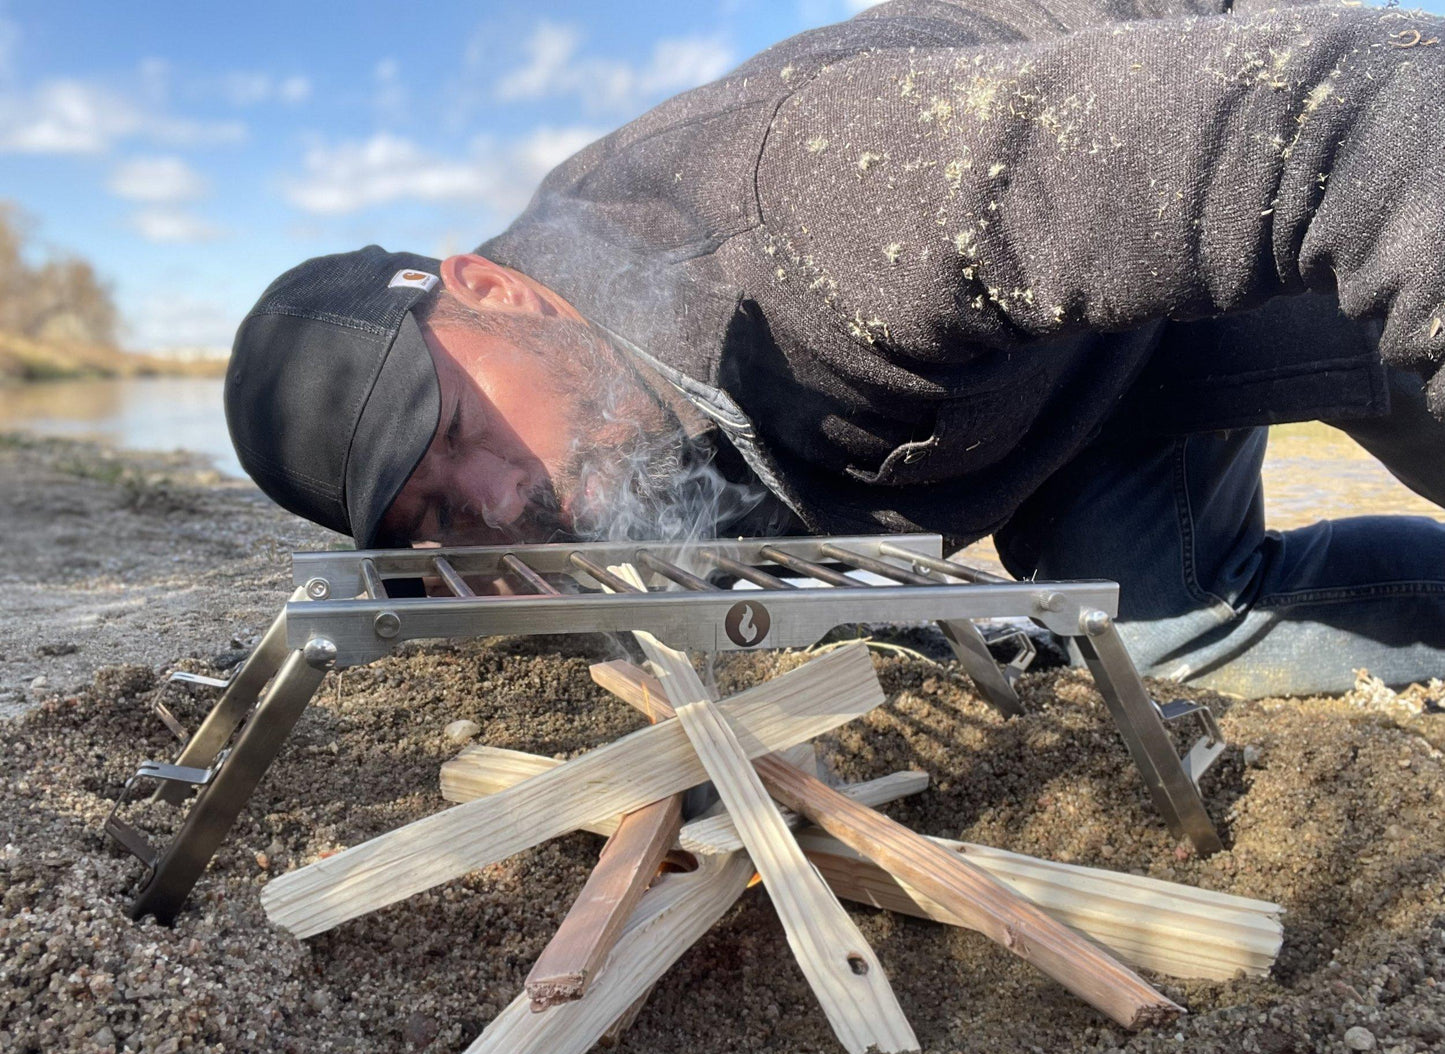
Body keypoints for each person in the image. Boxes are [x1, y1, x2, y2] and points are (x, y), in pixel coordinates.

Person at [224, 0, 1445, 698]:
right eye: (434, 515)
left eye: (454, 429)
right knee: (1158, 634)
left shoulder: (817, 205)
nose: (496, 500)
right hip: (1032, 370)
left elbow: (1341, 113)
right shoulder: (573, 417)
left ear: (496, 292)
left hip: (1208, 181)